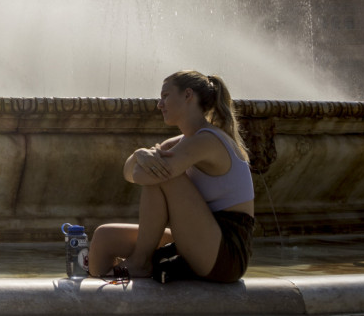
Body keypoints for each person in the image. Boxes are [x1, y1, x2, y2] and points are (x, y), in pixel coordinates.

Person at [88, 70, 254, 283]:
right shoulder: (184, 141)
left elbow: (144, 175)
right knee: (104, 237)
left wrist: (142, 161)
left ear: (187, 95)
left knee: (164, 175)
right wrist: (140, 154)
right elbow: (128, 173)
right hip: (201, 235)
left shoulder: (207, 140)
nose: (159, 104)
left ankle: (140, 261)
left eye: (165, 96)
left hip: (226, 253)